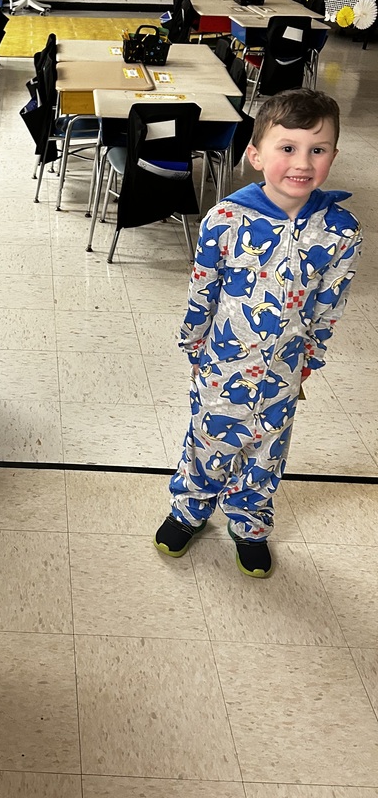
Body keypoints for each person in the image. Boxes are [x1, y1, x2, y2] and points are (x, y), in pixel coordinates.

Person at [154, 89, 361, 577]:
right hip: (222, 363)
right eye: (286, 148)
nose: (302, 163)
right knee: (208, 439)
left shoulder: (342, 231)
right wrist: (194, 345)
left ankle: (249, 522)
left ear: (333, 154)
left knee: (268, 449)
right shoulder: (226, 218)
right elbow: (202, 289)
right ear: (255, 154)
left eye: (318, 149)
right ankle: (189, 509)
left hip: (286, 368)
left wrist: (310, 359)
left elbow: (330, 305)